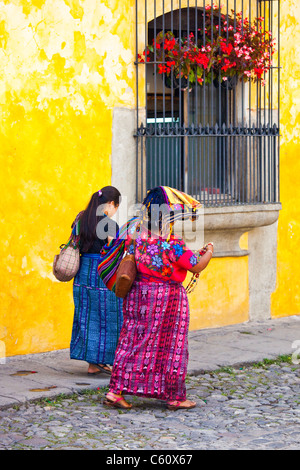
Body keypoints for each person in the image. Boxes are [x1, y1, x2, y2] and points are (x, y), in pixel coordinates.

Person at [103, 186, 214, 410]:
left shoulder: (137, 240)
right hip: (167, 301)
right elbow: (196, 265)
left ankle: (115, 391)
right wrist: (209, 250)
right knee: (171, 346)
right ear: (166, 220)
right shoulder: (173, 244)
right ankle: (174, 396)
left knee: (132, 342)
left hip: (138, 297)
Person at [70, 186, 123, 376]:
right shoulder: (109, 225)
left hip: (82, 273)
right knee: (110, 317)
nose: (115, 211)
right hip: (103, 274)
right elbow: (114, 251)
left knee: (86, 316)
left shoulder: (81, 219)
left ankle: (92, 363)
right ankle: (104, 360)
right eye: (116, 206)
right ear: (111, 204)